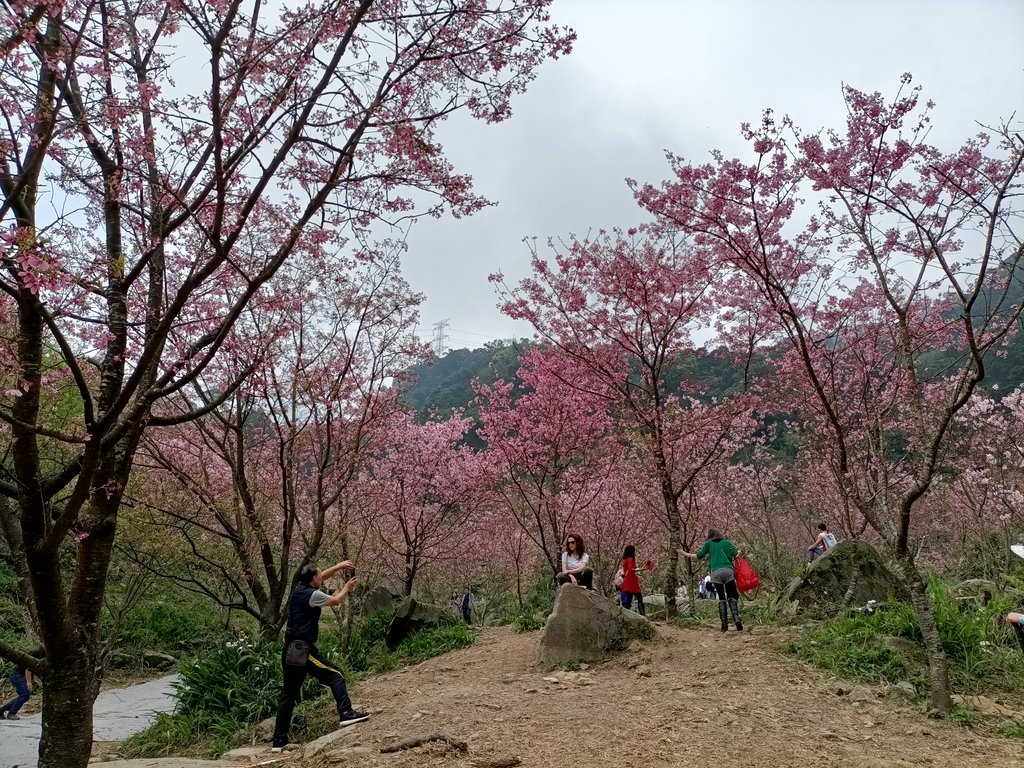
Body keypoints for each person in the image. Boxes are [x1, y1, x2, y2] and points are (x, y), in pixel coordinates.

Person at [272, 561, 368, 752]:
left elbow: (321, 575)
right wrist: (346, 588)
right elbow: (336, 600)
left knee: (288, 695)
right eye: (319, 576)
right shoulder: (313, 594)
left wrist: (339, 566)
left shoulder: (300, 588)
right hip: (303, 651)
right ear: (313, 579)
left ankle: (279, 741)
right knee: (336, 675)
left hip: (290, 650)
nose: (322, 577)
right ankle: (346, 713)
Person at [681, 529, 743, 632]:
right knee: (732, 596)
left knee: (721, 597)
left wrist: (684, 553)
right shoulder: (727, 542)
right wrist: (739, 552)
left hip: (715, 573)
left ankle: (724, 625)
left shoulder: (708, 544)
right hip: (728, 571)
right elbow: (736, 555)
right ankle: (737, 620)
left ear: (709, 536)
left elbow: (697, 556)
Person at [0, 649, 42, 721]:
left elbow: (33, 670)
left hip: (19, 676)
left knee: (24, 696)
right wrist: (29, 682)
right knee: (25, 694)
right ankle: (11, 714)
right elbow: (28, 669)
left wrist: (31, 680)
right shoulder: (39, 654)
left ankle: (1, 710)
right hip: (17, 675)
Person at [619, 545, 646, 616]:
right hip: (632, 582)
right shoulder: (630, 559)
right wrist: (641, 569)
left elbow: (626, 571)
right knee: (639, 598)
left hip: (627, 582)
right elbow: (631, 569)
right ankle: (643, 615)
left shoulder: (625, 560)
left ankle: (625, 616)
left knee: (628, 601)